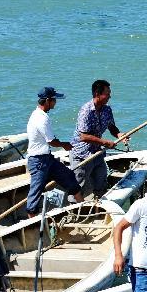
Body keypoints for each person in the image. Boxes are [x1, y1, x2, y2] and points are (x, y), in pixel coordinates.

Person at [26, 87, 84, 217]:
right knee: (35, 194)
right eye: (54, 100)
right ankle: (32, 224)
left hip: (48, 159)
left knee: (69, 177)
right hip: (38, 162)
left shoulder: (38, 115)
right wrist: (65, 145)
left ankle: (83, 210)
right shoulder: (41, 118)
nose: (55, 103)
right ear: (47, 101)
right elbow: (51, 141)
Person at [70, 79, 127, 199]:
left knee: (101, 183)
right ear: (97, 94)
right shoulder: (86, 111)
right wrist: (105, 142)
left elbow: (111, 127)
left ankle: (98, 205)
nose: (109, 96)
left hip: (97, 153)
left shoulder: (107, 109)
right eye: (107, 93)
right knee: (78, 187)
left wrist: (119, 135)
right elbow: (83, 136)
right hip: (82, 155)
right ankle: (74, 212)